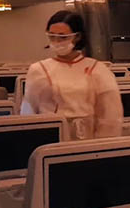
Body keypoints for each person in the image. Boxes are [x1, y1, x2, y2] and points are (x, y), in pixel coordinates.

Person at [21, 10, 123, 140]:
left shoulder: (98, 69)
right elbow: (29, 110)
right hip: (50, 137)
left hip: (89, 137)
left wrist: (104, 146)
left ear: (77, 36)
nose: (56, 41)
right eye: (52, 36)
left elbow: (110, 115)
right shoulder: (39, 69)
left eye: (62, 37)